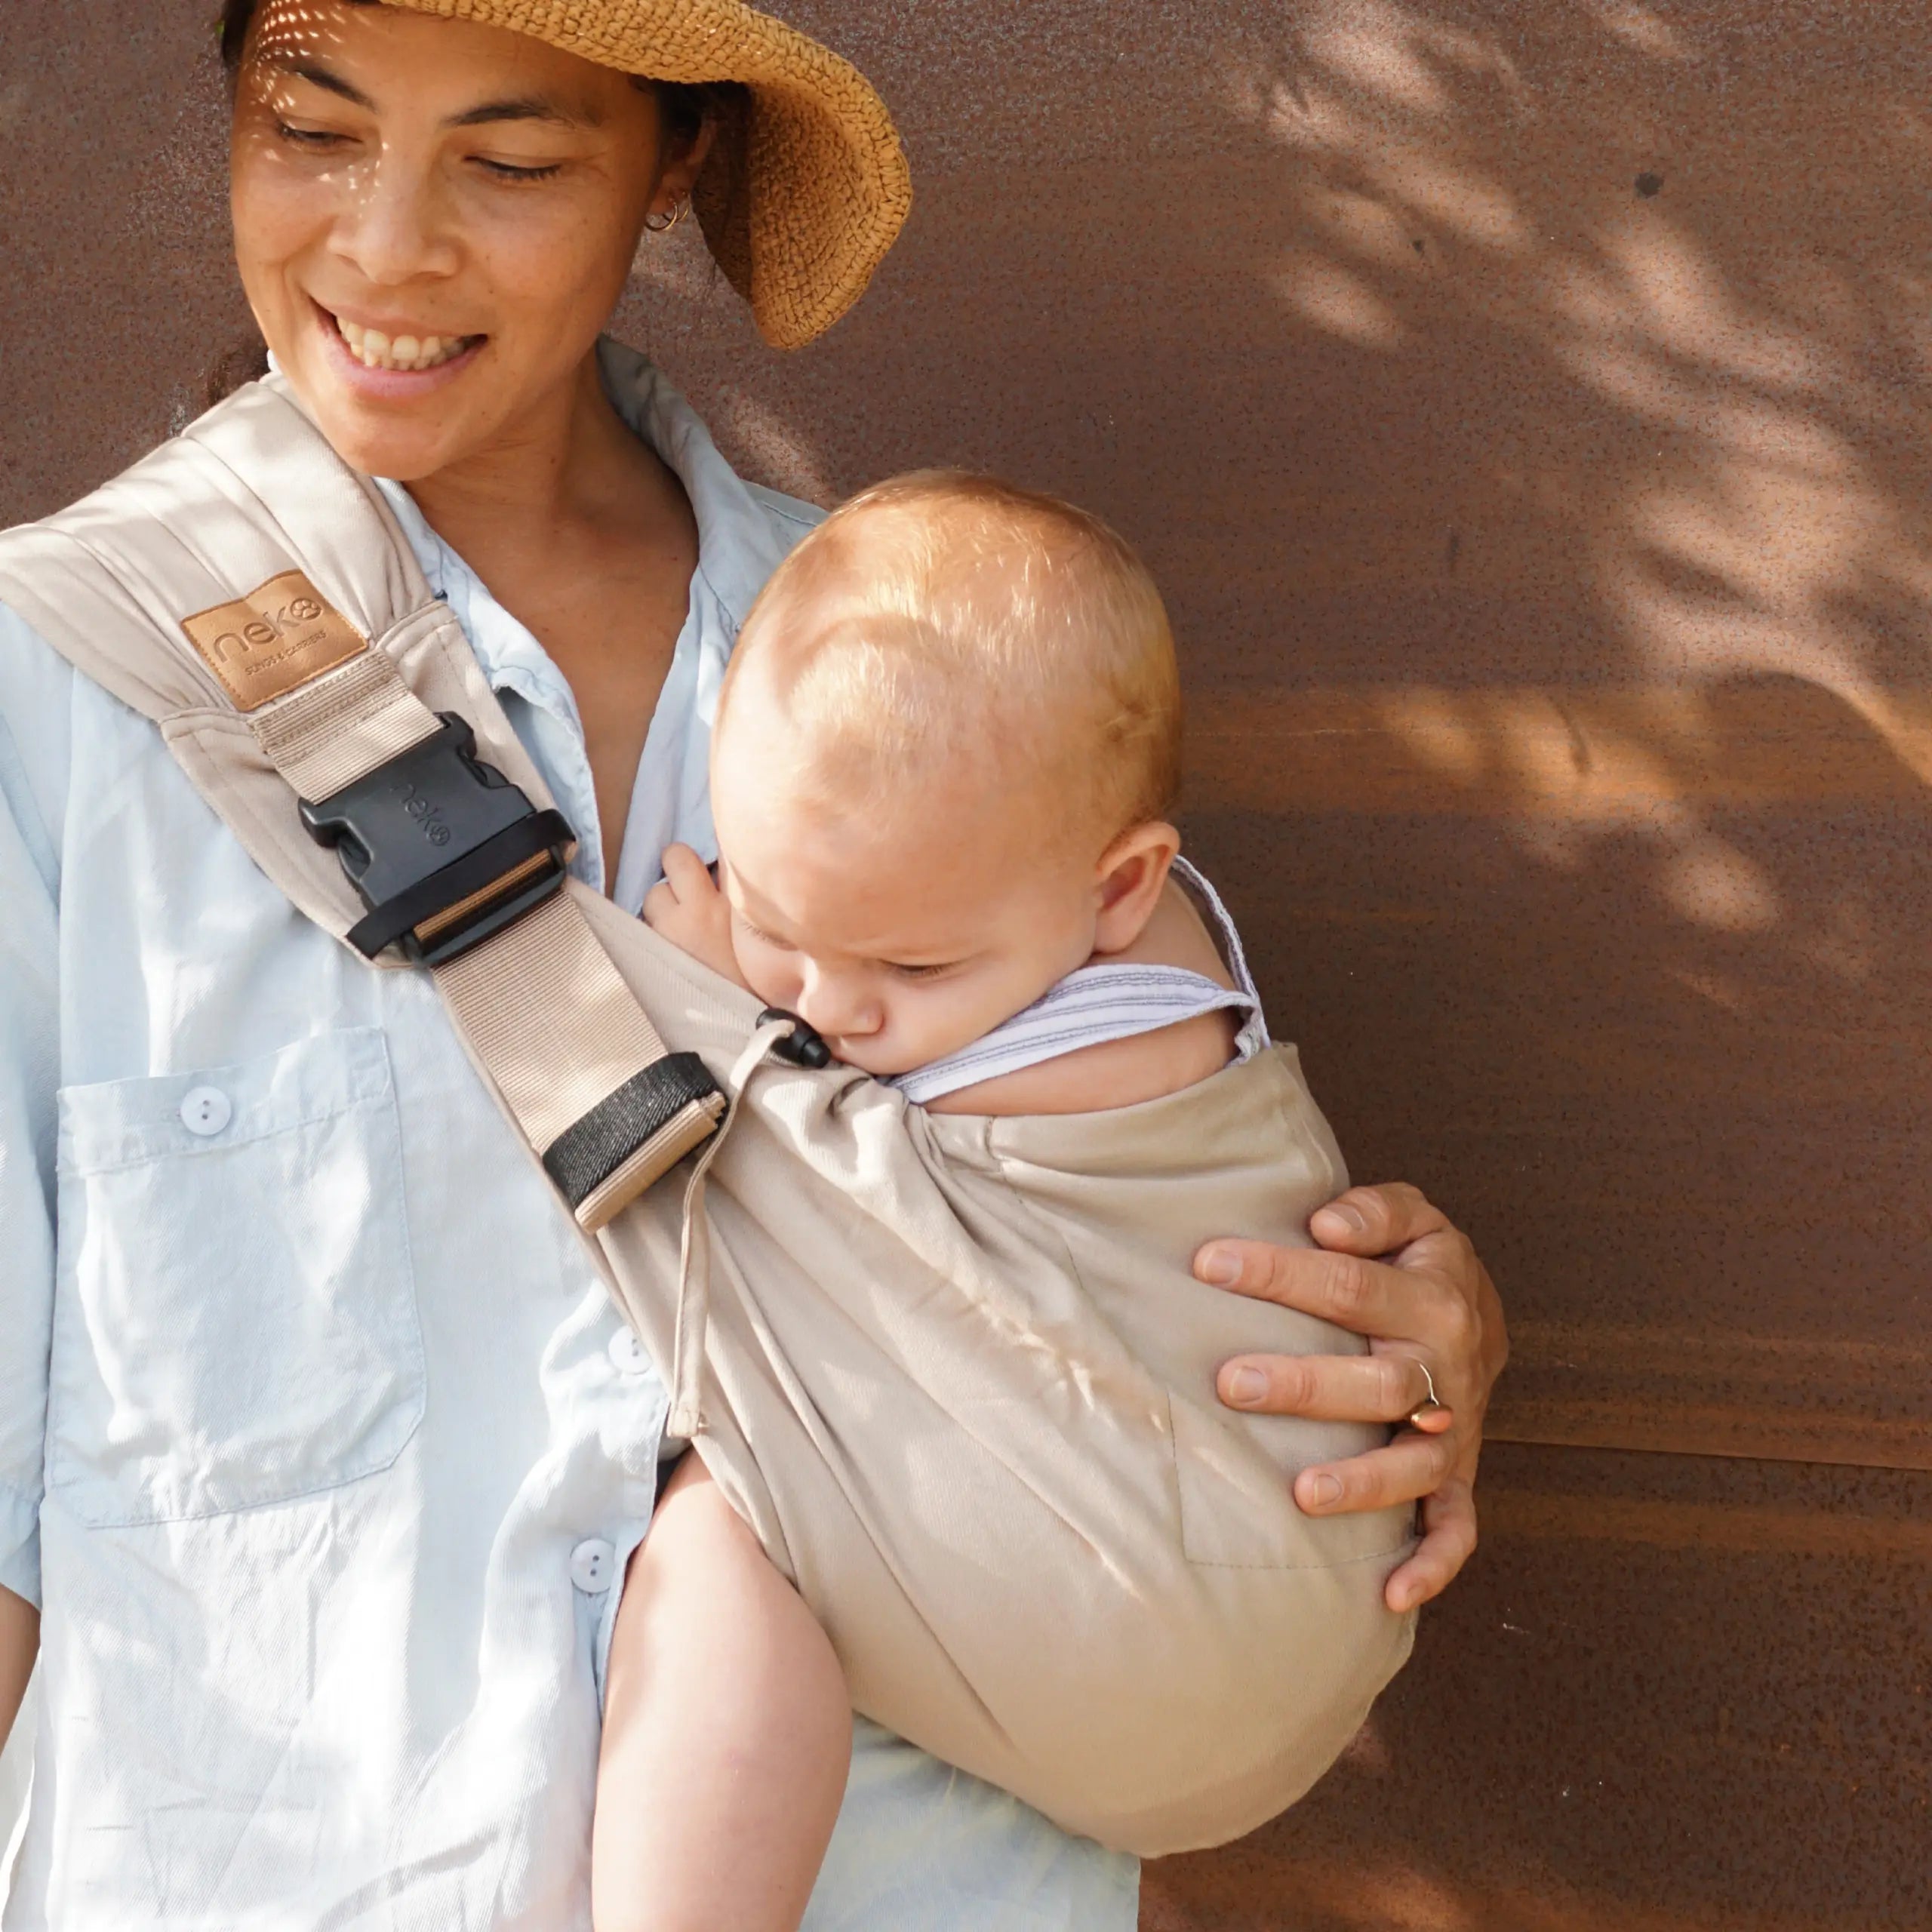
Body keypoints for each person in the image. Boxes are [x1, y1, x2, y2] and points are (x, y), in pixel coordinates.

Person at [0, 2, 1506, 1925]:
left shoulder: (946, 668)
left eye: (509, 159)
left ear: (674, 159)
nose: (384, 243)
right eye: (310, 129)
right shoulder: (55, 705)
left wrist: (1388, 1337)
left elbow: (1133, 1195)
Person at [604, 469, 1429, 1927]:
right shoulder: (1037, 894)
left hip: (1172, 1582)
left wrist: (726, 998)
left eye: (911, 968)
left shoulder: (1115, 1044)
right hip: (1305, 1613)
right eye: (781, 925)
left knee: (716, 1533)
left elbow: (840, 1193)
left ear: (1122, 890)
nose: (833, 1006)